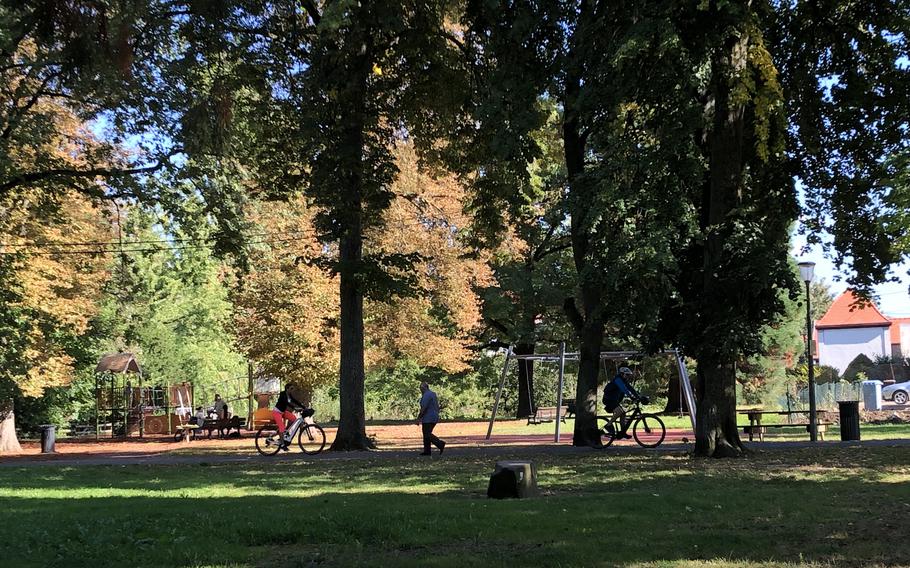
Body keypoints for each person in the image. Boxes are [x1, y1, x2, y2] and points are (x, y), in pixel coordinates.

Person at [602, 366, 643, 438]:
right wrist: (631, 397)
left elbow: (631, 389)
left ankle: (623, 432)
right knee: (619, 412)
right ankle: (608, 425)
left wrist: (638, 397)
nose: (627, 376)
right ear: (622, 374)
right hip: (609, 399)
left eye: (628, 375)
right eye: (626, 375)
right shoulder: (618, 379)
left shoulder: (624, 380)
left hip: (614, 400)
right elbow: (624, 389)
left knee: (623, 413)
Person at [272, 383, 307, 451]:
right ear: (287, 389)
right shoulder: (283, 394)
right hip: (277, 412)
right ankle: (282, 444)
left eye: (292, 389)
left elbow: (294, 401)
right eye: (291, 389)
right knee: (281, 427)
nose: (292, 390)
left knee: (294, 419)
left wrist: (303, 407)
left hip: (283, 412)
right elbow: (286, 403)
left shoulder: (289, 395)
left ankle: (285, 432)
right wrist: (294, 408)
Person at [416, 381, 446, 456]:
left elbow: (424, 408)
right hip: (434, 416)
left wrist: (419, 418)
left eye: (421, 388)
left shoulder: (426, 395)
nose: (420, 389)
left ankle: (440, 443)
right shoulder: (433, 394)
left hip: (428, 417)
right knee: (426, 433)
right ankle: (427, 451)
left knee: (427, 434)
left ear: (424, 388)